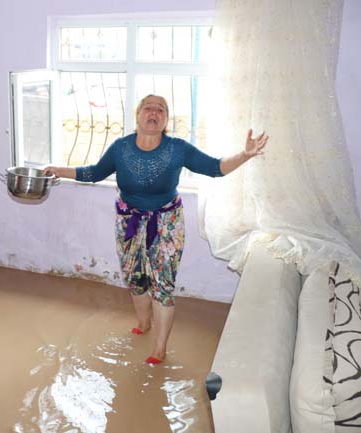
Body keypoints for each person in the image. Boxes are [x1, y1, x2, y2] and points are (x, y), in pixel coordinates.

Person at [45, 94, 268, 364]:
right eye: (148, 108)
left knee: (162, 284)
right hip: (128, 221)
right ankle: (144, 322)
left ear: (166, 119)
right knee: (135, 278)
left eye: (160, 109)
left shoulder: (178, 148)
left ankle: (160, 348)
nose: (154, 112)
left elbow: (215, 168)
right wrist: (58, 170)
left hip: (166, 223)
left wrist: (245, 155)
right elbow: (94, 172)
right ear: (138, 115)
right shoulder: (120, 147)